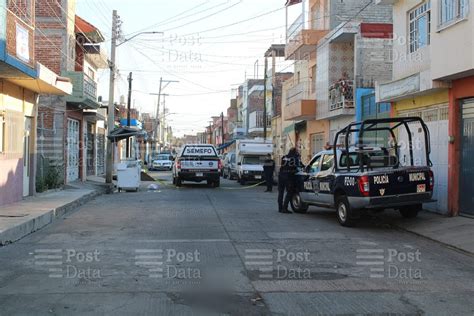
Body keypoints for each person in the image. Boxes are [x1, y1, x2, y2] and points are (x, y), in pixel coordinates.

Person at [278, 148, 303, 213]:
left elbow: (283, 165)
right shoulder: (295, 158)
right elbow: (299, 166)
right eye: (297, 151)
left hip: (281, 176)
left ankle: (280, 208)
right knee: (289, 192)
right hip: (288, 177)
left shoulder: (284, 157)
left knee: (281, 192)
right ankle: (284, 208)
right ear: (295, 152)